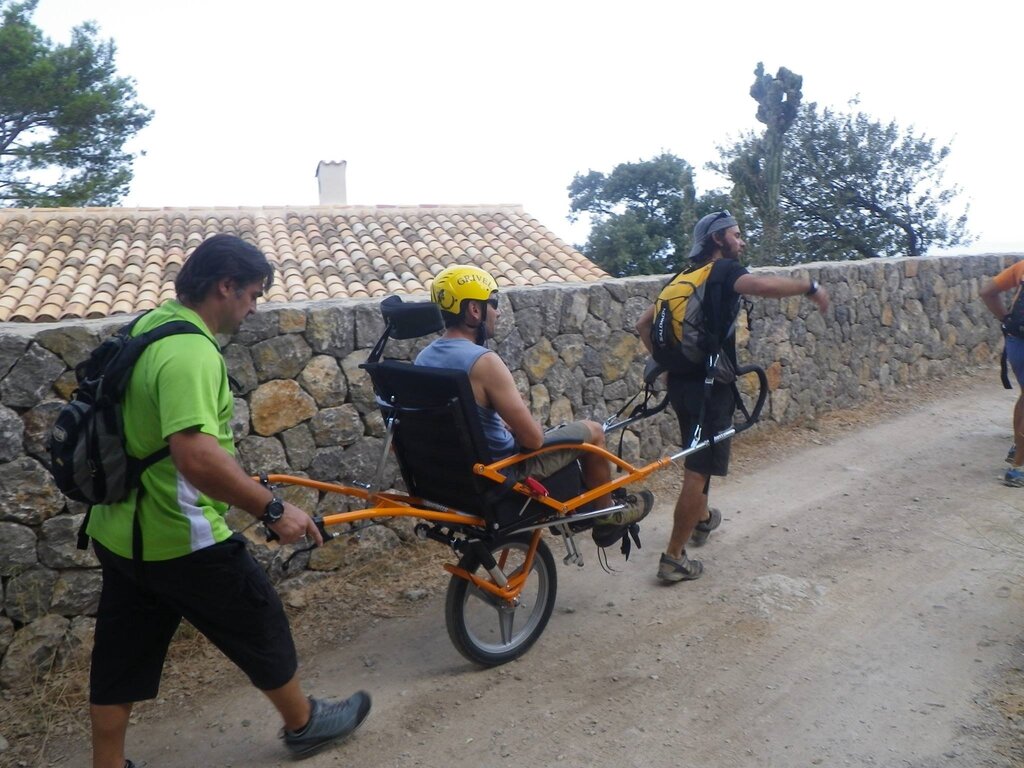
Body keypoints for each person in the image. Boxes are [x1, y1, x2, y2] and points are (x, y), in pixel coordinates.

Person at [86, 234, 371, 768]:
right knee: (258, 618)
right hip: (180, 534)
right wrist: (273, 508)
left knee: (121, 655)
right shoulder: (191, 351)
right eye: (253, 294)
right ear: (225, 285)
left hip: (118, 528)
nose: (254, 307)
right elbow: (195, 455)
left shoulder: (147, 327)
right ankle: (304, 724)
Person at [636, 211, 830, 583]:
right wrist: (810, 286)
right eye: (736, 235)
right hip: (711, 386)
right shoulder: (723, 272)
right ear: (718, 239)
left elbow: (642, 324)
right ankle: (674, 558)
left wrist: (668, 363)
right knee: (699, 468)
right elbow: (766, 288)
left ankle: (703, 520)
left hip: (682, 383)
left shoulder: (682, 277)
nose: (742, 242)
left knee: (700, 456)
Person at [415, 265, 653, 545]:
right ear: (474, 311)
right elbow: (533, 439)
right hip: (501, 474)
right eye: (494, 303)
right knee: (594, 432)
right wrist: (521, 432)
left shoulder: (424, 359)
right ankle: (606, 516)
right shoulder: (484, 362)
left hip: (451, 478)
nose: (499, 312)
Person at [980, 262, 1024, 485]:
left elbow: (987, 292)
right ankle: (1018, 468)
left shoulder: (1022, 267)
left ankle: (1018, 447)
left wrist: (1006, 319)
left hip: (1017, 341)